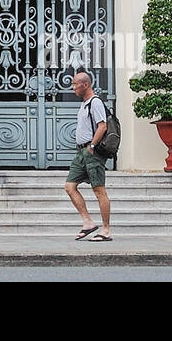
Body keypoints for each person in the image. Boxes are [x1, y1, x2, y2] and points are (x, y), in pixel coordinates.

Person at [65, 70, 111, 241]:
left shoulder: (95, 102)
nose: (73, 88)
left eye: (75, 84)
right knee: (70, 187)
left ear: (85, 84)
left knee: (99, 191)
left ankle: (106, 230)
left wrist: (92, 145)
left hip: (92, 153)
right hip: (81, 152)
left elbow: (102, 126)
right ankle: (88, 222)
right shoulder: (84, 103)